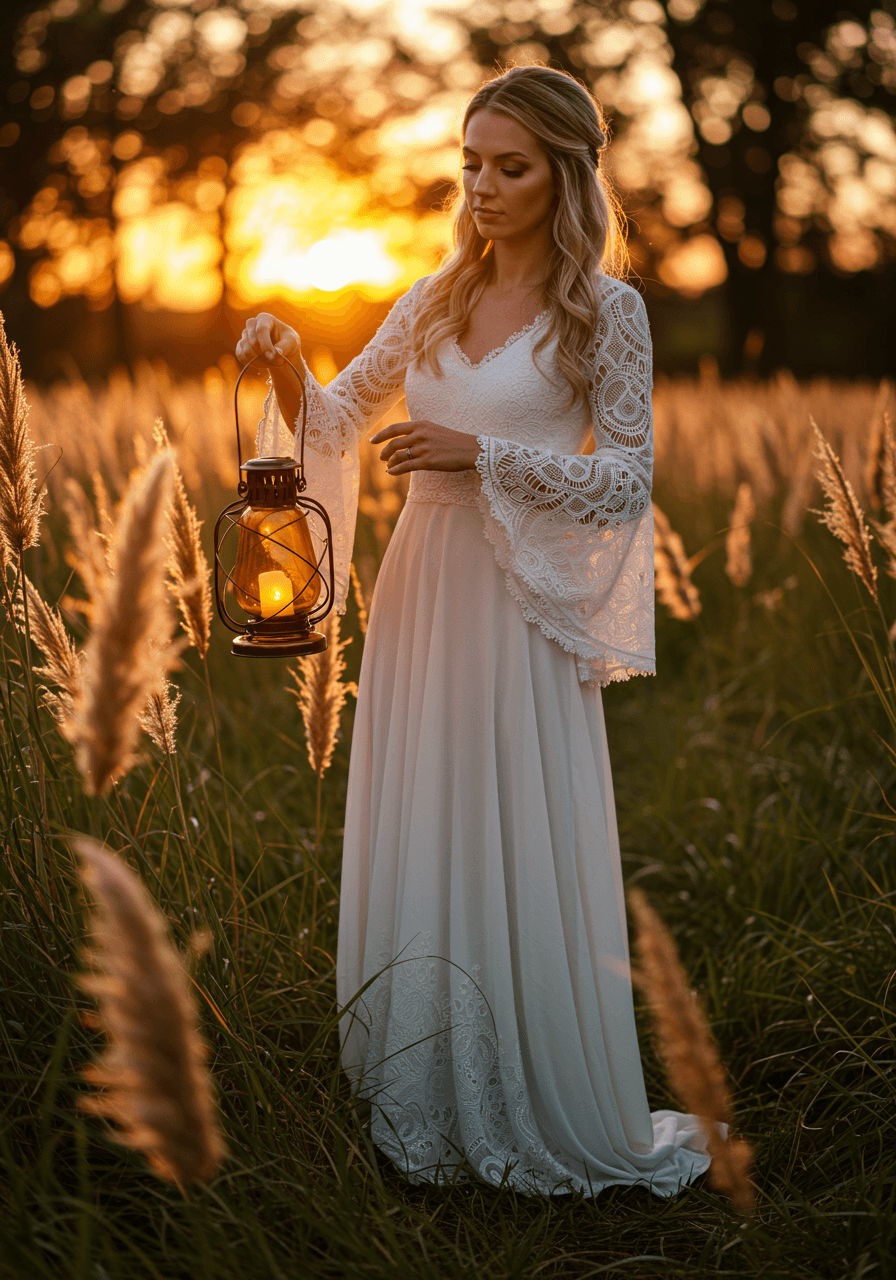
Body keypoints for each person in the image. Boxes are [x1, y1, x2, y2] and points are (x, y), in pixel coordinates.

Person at [236, 64, 723, 1196]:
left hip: (515, 605)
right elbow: (340, 416)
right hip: (421, 590)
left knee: (509, 817)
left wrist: (482, 453)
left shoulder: (608, 313)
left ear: (566, 172)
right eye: (470, 164)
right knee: (427, 812)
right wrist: (286, 364)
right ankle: (422, 1086)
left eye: (511, 166)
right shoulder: (436, 297)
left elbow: (627, 481)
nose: (484, 186)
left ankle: (533, 1089)